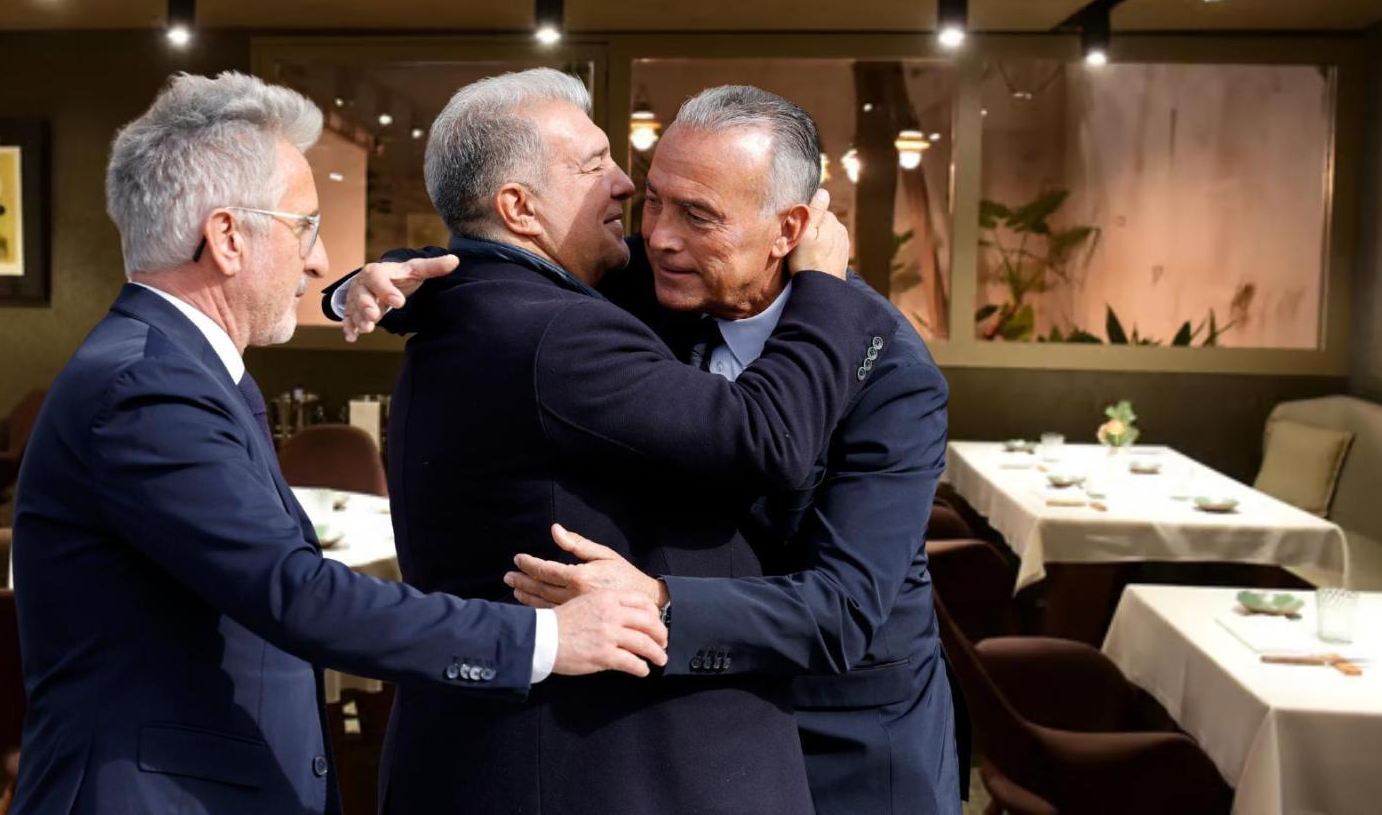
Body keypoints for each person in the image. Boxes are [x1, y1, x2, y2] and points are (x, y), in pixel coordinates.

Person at [9, 72, 671, 815]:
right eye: (304, 229)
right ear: (227, 237)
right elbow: (299, 596)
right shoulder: (145, 389)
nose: (320, 262)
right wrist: (544, 639)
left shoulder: (169, 365)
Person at [342, 86, 960, 814]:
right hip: (712, 750)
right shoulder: (654, 282)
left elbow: (843, 609)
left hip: (851, 739)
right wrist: (385, 281)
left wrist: (660, 602)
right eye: (655, 202)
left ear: (789, 228)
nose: (660, 234)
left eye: (698, 215)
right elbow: (505, 265)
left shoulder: (891, 375)